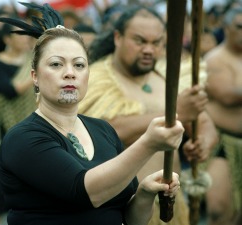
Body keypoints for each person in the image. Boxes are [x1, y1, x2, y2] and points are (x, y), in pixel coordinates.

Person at [0, 2, 184, 225]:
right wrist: (148, 144)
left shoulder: (103, 130)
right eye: (56, 64)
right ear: (35, 76)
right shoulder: (22, 138)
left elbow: (131, 220)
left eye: (79, 65)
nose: (69, 73)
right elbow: (85, 192)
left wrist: (144, 192)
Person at [79, 5, 218, 225]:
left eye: (156, 43)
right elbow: (102, 131)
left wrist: (203, 143)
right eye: (140, 41)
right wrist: (176, 112)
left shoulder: (169, 78)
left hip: (168, 205)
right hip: (120, 207)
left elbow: (203, 122)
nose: (148, 50)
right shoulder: (94, 80)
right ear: (118, 37)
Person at [0, 17, 35, 225]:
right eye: (18, 34)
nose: (24, 39)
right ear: (6, 38)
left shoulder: (32, 59)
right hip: (6, 122)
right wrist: (38, 75)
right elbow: (10, 90)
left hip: (31, 117)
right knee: (5, 173)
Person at [204, 6, 242, 225]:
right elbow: (226, 95)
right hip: (223, 144)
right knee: (220, 209)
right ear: (226, 28)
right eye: (239, 26)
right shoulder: (215, 59)